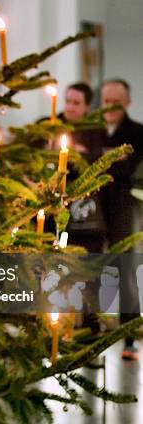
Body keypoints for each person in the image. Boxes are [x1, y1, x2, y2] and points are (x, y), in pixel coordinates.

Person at [100, 78, 143, 360]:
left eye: (116, 101)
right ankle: (89, 333)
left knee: (125, 269)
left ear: (126, 102)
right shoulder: (92, 131)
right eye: (106, 100)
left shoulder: (138, 133)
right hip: (91, 207)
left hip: (123, 208)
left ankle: (130, 337)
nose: (110, 106)